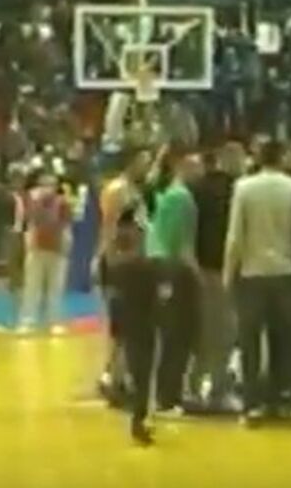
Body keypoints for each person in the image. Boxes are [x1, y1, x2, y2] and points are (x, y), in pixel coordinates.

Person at [223, 138, 291, 423]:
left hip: (251, 272)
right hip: (286, 271)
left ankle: (253, 404)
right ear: (282, 158)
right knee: (288, 339)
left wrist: (229, 272)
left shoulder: (243, 188)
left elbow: (235, 235)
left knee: (250, 341)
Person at [143, 148, 202, 414]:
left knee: (168, 334)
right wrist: (196, 273)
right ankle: (169, 396)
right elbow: (183, 243)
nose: (200, 172)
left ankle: (164, 393)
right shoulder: (182, 198)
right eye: (195, 166)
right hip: (174, 268)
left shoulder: (167, 195)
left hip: (160, 265)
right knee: (178, 335)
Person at [189, 142, 245, 411]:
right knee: (224, 332)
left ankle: (192, 385)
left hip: (198, 267)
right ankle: (218, 390)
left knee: (201, 331)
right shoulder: (236, 190)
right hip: (221, 269)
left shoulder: (195, 188)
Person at [96, 148, 153, 404]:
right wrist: (112, 261)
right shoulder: (118, 190)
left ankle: (118, 375)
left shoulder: (134, 189)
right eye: (143, 161)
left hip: (132, 261)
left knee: (129, 326)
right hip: (120, 264)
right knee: (121, 326)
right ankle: (113, 378)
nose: (147, 167)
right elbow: (110, 228)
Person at [17, 168, 73, 335]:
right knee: (32, 287)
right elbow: (31, 222)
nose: (47, 188)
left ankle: (54, 321)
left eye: (51, 184)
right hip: (36, 248)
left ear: (56, 186)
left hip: (57, 249)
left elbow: (66, 225)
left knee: (55, 288)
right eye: (44, 184)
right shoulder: (33, 201)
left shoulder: (63, 203)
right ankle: (28, 321)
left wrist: (66, 246)